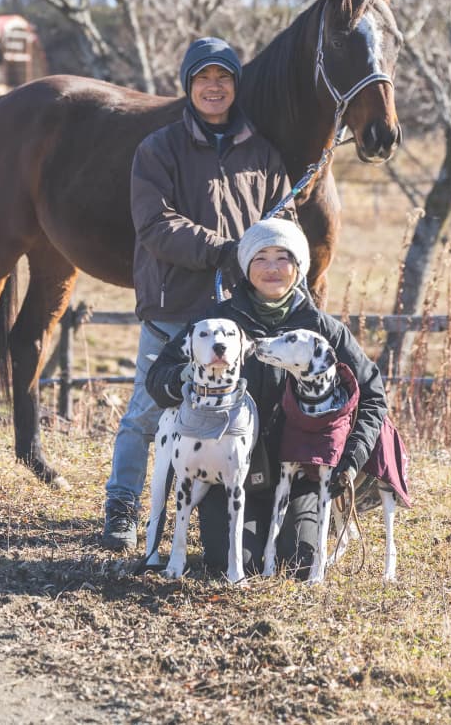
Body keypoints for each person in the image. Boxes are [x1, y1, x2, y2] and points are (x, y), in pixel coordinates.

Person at [101, 37, 293, 551]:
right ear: (188, 86)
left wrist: (265, 258)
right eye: (204, 78)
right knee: (147, 411)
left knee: (244, 414)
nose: (214, 87)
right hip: (175, 306)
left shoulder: (264, 154)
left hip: (237, 319)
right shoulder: (158, 150)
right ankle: (121, 505)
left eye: (224, 78)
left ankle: (240, 515)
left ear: (236, 86)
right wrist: (225, 250)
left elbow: (283, 224)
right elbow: (155, 224)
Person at [145, 216, 388, 576]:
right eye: (260, 258)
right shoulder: (217, 323)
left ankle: (319, 522)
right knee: (235, 564)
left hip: (299, 474)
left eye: (283, 257)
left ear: (299, 266)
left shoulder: (323, 330)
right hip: (228, 473)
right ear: (245, 266)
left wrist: (349, 459)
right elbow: (158, 380)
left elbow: (373, 396)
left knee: (298, 565)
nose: (272, 268)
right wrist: (188, 375)